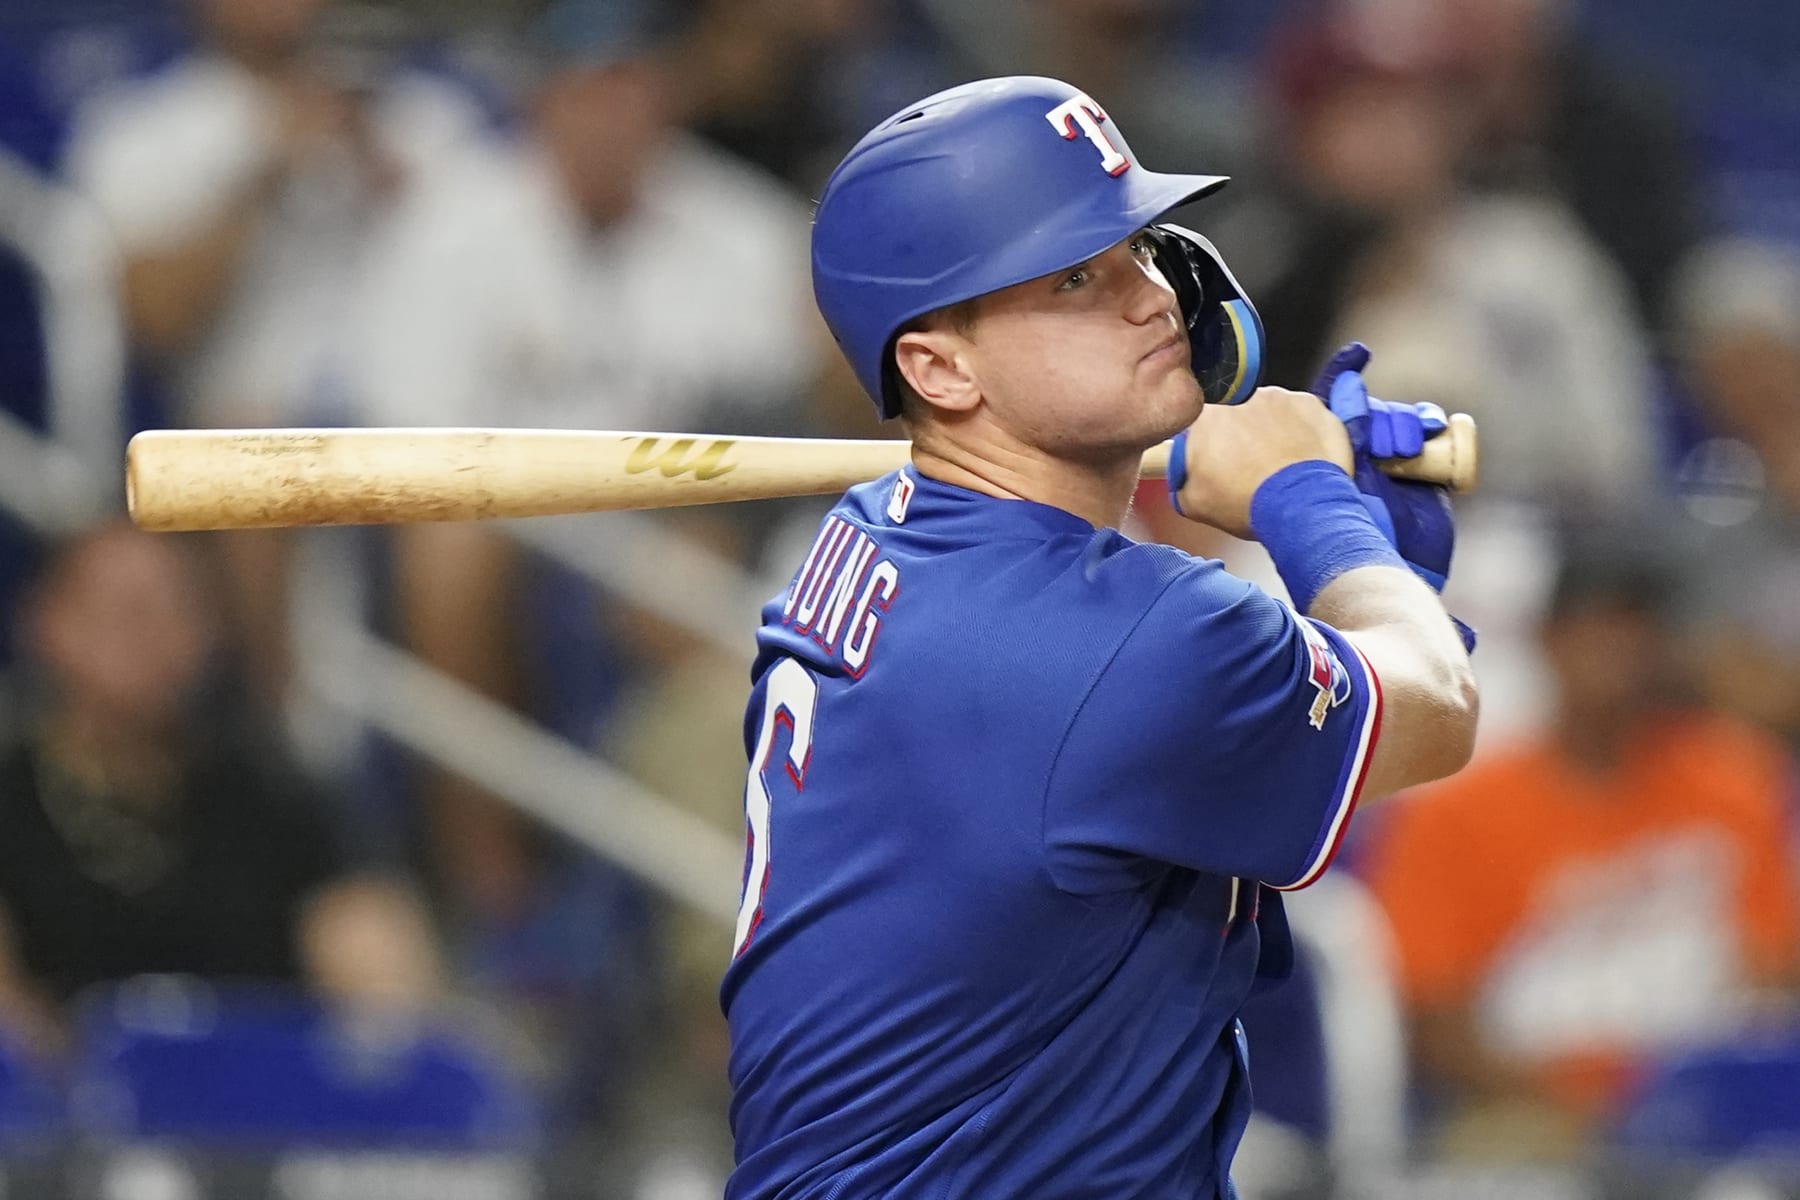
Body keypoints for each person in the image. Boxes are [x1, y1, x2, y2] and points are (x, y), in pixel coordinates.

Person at [719, 76, 1478, 1198]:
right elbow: (1439, 710)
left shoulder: (872, 533)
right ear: (937, 367)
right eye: (1075, 276)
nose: (1149, 297)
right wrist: (1319, 515)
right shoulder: (1128, 643)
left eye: (1137, 246)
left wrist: (1376, 567)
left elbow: (1249, 722)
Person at [1365, 528, 1800, 1160]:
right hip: (1528, 1115)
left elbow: (1771, 975)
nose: (1616, 653)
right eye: (1593, 628)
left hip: (1710, 1108)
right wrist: (1595, 1121)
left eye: (1635, 630)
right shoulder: (1456, 809)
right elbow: (1433, 1023)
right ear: (1549, 639)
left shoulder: (1738, 779)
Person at [0, 521, 442, 1056]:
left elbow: (383, 979)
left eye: (173, 609)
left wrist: (383, 1033)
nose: (148, 638)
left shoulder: (273, 793)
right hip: (60, 1116)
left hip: (260, 1106)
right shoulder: (15, 792)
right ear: (45, 621)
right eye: (123, 611)